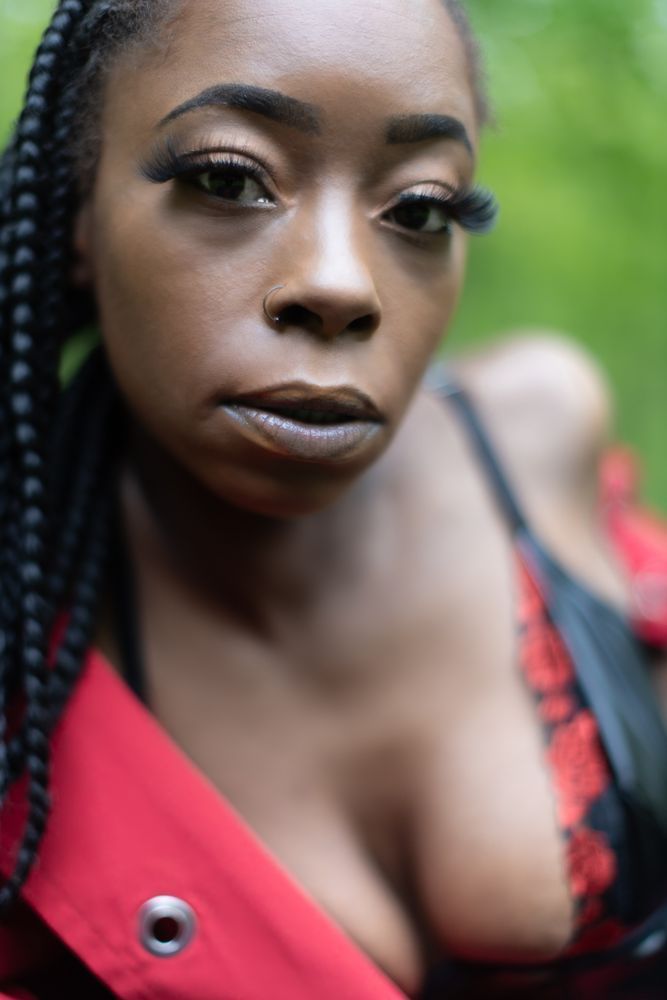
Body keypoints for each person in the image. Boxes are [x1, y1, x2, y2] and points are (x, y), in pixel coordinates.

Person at [0, 0, 665, 997]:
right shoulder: (22, 625)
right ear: (77, 219)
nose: (341, 283)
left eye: (421, 207)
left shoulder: (535, 435)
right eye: (228, 179)